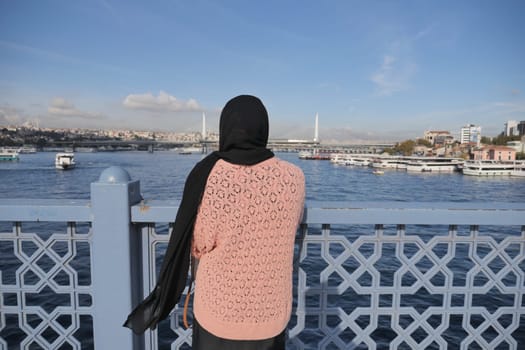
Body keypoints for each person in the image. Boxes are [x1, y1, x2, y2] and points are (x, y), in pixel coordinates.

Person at [124, 95, 305, 350]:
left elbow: (200, 243)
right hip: (270, 312)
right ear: (263, 128)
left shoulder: (211, 175)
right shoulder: (294, 177)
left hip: (220, 310)